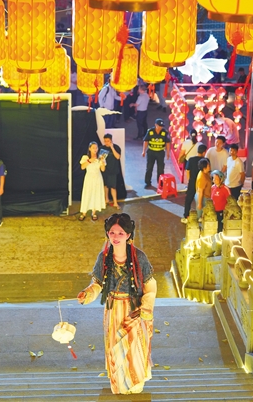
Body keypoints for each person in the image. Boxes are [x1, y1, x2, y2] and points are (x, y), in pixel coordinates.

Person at [77, 213, 156, 395]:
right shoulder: (104, 257)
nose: (116, 237)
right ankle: (120, 384)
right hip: (113, 310)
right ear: (107, 233)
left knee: (134, 348)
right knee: (115, 347)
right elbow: (97, 283)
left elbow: (150, 285)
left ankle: (135, 384)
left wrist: (146, 305)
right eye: (112, 232)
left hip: (134, 309)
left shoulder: (139, 257)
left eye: (120, 233)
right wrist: (88, 293)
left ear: (128, 234)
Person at [79, 142, 106, 221]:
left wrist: (102, 162)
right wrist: (90, 160)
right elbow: (82, 167)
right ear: (89, 148)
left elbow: (103, 169)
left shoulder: (100, 157)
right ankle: (84, 212)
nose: (95, 149)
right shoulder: (85, 157)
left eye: (96, 148)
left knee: (96, 194)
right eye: (93, 148)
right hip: (89, 178)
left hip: (97, 178)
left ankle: (94, 212)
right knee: (87, 194)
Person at [181, 143, 207, 223]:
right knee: (202, 199)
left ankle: (186, 216)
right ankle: (201, 216)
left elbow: (187, 171)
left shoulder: (191, 159)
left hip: (192, 182)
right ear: (204, 152)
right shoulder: (205, 161)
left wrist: (189, 180)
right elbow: (206, 172)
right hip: (202, 182)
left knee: (188, 199)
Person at [142, 118, 171, 189]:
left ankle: (160, 183)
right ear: (155, 125)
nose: (160, 127)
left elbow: (167, 143)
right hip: (151, 152)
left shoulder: (165, 132)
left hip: (160, 152)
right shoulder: (150, 131)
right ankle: (148, 182)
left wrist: (168, 153)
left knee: (160, 169)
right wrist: (144, 151)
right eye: (159, 126)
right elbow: (146, 141)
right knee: (149, 168)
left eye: (162, 126)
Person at [101, 134, 121, 210]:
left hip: (113, 170)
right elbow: (100, 158)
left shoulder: (116, 147)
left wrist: (112, 147)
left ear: (111, 140)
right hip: (104, 170)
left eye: (108, 141)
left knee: (113, 187)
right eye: (105, 141)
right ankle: (106, 199)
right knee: (105, 186)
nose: (106, 143)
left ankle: (115, 202)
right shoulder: (102, 148)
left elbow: (118, 157)